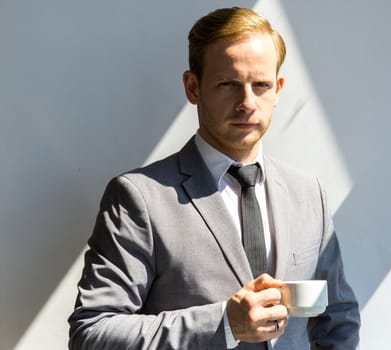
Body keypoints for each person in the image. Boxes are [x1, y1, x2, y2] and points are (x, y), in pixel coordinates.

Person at [68, 7, 360, 350]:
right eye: (228, 84)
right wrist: (224, 323)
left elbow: (338, 317)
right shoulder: (139, 198)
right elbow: (92, 333)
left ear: (278, 89)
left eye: (261, 85)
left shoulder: (309, 193)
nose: (247, 103)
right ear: (193, 88)